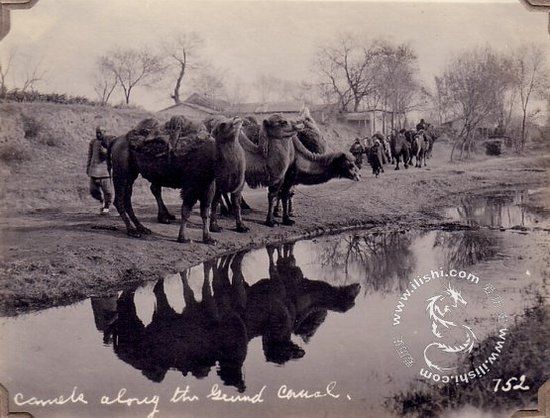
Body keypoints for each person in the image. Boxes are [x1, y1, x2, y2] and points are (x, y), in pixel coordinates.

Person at [86, 127, 112, 214]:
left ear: (105, 132)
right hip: (94, 171)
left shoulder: (110, 141)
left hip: (105, 172)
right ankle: (102, 201)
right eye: (97, 132)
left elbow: (113, 156)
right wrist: (88, 168)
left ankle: (106, 207)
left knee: (107, 191)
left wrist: (106, 152)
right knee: (93, 191)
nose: (98, 134)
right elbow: (90, 156)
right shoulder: (93, 142)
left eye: (100, 132)